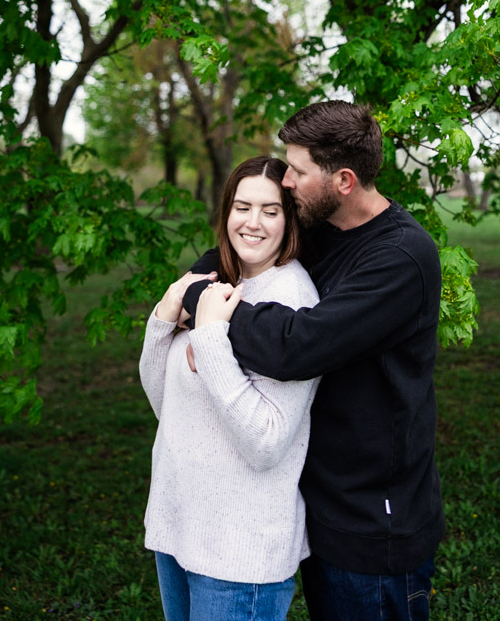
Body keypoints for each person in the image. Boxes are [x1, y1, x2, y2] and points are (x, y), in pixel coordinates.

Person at [182, 101, 445, 621]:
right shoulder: (318, 226)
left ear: (343, 180)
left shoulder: (400, 258)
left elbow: (298, 347)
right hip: (311, 504)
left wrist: (206, 315)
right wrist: (200, 286)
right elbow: (229, 257)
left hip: (372, 523)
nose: (286, 183)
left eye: (298, 171)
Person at [139, 156, 320, 621]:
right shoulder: (214, 282)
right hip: (179, 526)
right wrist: (163, 317)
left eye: (270, 210)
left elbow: (265, 443)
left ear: (290, 218)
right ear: (225, 213)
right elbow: (167, 407)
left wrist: (211, 340)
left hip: (240, 551)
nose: (252, 223)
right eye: (242, 207)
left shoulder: (292, 299)